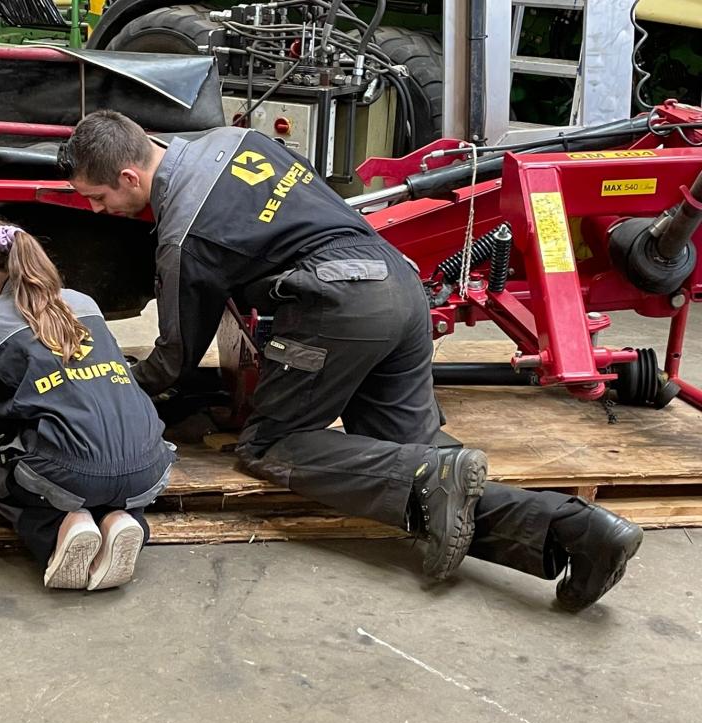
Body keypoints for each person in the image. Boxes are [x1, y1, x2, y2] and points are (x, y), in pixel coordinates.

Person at [61, 110, 643, 612]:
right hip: (399, 285)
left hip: (338, 308)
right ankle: (577, 532)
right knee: (420, 464)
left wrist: (113, 384)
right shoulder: (235, 141)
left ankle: (455, 486)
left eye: (99, 197)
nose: (101, 209)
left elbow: (178, 357)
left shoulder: (182, 233)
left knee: (270, 446)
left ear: (129, 175)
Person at [0, 217, 175, 590]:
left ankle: (59, 529)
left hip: (70, 472)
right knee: (103, 471)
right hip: (149, 462)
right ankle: (124, 521)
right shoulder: (84, 302)